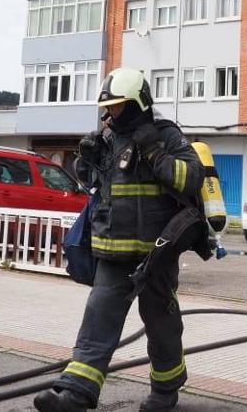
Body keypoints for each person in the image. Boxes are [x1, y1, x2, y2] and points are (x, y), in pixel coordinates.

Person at [34, 68, 204, 412]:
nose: (110, 114)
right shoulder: (108, 138)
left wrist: (155, 152)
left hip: (156, 255)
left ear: (138, 103)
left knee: (161, 325)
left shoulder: (166, 135)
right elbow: (94, 187)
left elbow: (191, 179)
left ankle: (166, 390)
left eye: (118, 106)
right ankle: (75, 393)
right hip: (112, 252)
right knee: (98, 320)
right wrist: (87, 160)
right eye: (108, 107)